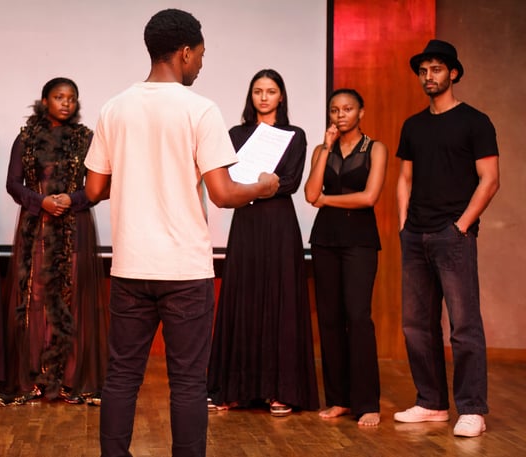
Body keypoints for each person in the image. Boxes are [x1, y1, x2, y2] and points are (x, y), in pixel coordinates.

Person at [83, 9, 280, 457]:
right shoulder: (200, 109)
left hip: (130, 267)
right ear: (185, 52)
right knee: (189, 382)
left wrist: (135, 174)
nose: (202, 65)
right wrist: (263, 186)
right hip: (185, 271)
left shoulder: (114, 108)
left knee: (122, 376)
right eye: (202, 55)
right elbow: (224, 193)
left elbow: (93, 189)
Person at [394, 39, 499, 438]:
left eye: (436, 69)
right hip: (415, 235)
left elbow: (490, 180)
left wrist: (461, 225)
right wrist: (404, 225)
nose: (428, 76)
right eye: (423, 71)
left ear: (453, 73)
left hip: (453, 236)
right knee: (416, 326)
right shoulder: (413, 125)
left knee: (464, 326)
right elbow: (405, 178)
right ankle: (432, 403)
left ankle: (472, 409)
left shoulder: (475, 121)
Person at [206, 69, 319, 416]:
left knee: (280, 299)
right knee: (243, 296)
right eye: (258, 91)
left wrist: (257, 186)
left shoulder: (294, 134)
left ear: (281, 96)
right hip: (246, 221)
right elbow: (227, 178)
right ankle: (235, 390)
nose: (265, 97)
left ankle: (280, 391)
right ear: (250, 95)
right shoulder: (236, 134)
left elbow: (290, 182)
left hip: (279, 224)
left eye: (271, 91)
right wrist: (257, 184)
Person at [0, 77, 108, 405]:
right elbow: (13, 184)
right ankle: (35, 377)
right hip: (36, 227)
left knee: (71, 297)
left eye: (71, 98)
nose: (66, 103)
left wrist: (70, 200)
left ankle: (69, 380)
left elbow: (99, 187)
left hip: (75, 227)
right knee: (35, 298)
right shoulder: (26, 138)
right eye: (59, 97)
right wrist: (41, 202)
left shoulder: (86, 138)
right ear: (45, 100)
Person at [304, 88, 387, 427]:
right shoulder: (321, 150)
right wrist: (326, 147)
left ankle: (367, 403)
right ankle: (339, 399)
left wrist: (327, 201)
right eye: (335, 110)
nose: (340, 115)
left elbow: (368, 198)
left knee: (358, 317)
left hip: (360, 241)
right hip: (325, 239)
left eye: (348, 109)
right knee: (329, 318)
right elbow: (310, 193)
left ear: (360, 112)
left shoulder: (375, 148)